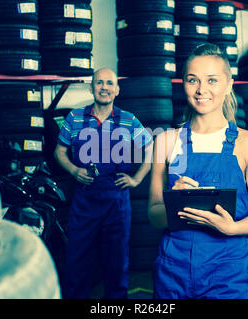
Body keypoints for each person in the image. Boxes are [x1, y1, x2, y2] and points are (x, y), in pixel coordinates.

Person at [148, 43, 248, 299]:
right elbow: (153, 215)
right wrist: (174, 201)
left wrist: (233, 229)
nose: (201, 90)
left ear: (228, 84)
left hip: (227, 269)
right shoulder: (166, 141)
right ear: (183, 83)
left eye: (212, 80)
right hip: (173, 269)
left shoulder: (247, 143)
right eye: (192, 80)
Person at [55, 68, 153, 299]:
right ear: (91, 88)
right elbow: (59, 152)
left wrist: (136, 178)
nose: (104, 87)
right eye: (99, 83)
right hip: (84, 199)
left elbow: (151, 149)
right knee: (77, 260)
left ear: (117, 90)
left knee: (117, 262)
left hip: (116, 201)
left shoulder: (128, 120)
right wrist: (74, 170)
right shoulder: (75, 117)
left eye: (110, 83)